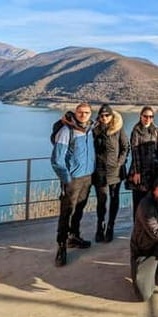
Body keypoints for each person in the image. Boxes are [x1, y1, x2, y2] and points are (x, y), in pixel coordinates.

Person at [50, 103, 95, 267]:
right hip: (73, 179)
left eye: (87, 112)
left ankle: (74, 237)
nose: (83, 115)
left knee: (79, 209)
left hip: (87, 177)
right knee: (66, 212)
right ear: (75, 113)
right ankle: (61, 246)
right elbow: (56, 160)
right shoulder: (66, 131)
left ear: (90, 114)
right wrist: (67, 179)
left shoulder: (90, 129)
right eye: (80, 112)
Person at [93, 104, 129, 243]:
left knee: (114, 199)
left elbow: (126, 147)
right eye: (101, 116)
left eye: (107, 115)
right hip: (100, 171)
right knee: (101, 200)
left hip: (115, 172)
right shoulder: (95, 130)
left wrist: (119, 163)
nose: (104, 118)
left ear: (111, 116)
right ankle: (100, 226)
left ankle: (110, 226)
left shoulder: (118, 129)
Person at [128, 106, 158, 219]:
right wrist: (137, 171)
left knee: (153, 201)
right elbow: (135, 152)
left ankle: (151, 230)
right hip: (141, 172)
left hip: (154, 171)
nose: (148, 119)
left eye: (150, 116)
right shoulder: (136, 131)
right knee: (139, 202)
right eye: (145, 116)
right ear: (141, 116)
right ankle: (138, 230)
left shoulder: (156, 130)